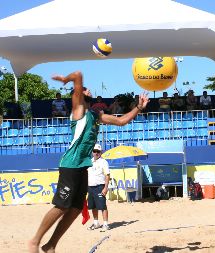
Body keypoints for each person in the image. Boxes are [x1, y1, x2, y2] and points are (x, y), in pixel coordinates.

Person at [28, 71, 149, 253]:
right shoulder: (79, 110)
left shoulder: (95, 115)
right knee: (61, 206)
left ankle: (50, 245)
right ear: (78, 94)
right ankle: (35, 241)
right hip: (70, 164)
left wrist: (138, 107)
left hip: (82, 166)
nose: (89, 90)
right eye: (85, 89)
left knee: (76, 208)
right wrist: (66, 79)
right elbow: (77, 75)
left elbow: (122, 121)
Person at [87, 143, 111, 232]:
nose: (96, 153)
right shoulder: (89, 161)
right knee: (93, 206)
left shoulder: (104, 162)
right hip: (90, 187)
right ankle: (96, 223)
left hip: (99, 186)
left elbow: (107, 175)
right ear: (92, 152)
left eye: (98, 151)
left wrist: (105, 187)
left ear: (101, 152)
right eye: (94, 151)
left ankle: (106, 224)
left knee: (102, 206)